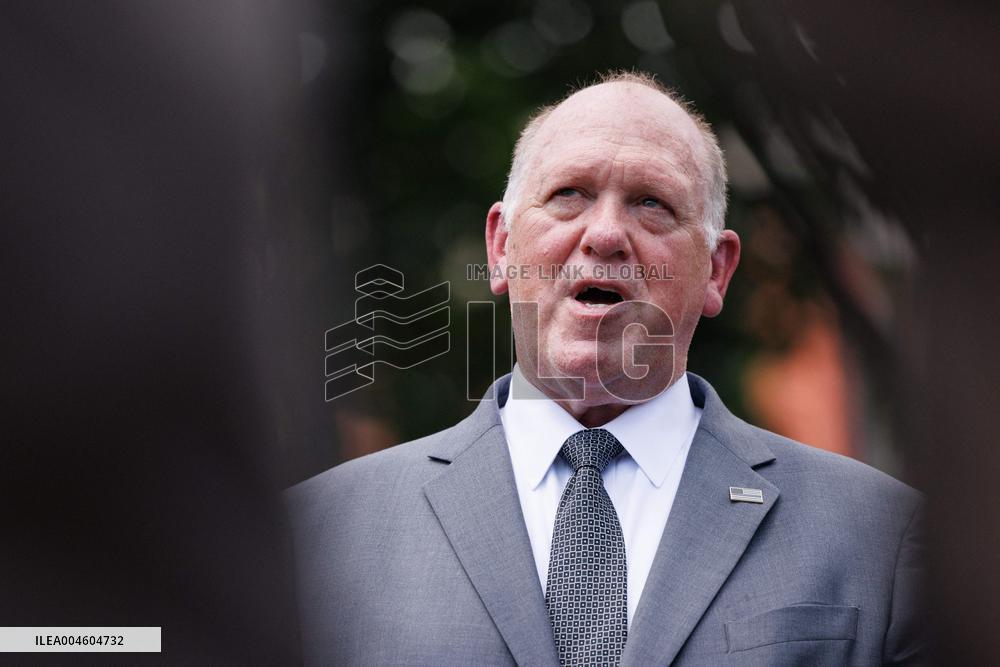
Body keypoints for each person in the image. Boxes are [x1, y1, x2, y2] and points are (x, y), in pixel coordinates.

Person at [287, 71, 924, 665]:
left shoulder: (881, 537)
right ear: (502, 247)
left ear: (717, 270)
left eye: (652, 203)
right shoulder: (317, 535)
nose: (606, 234)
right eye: (569, 195)